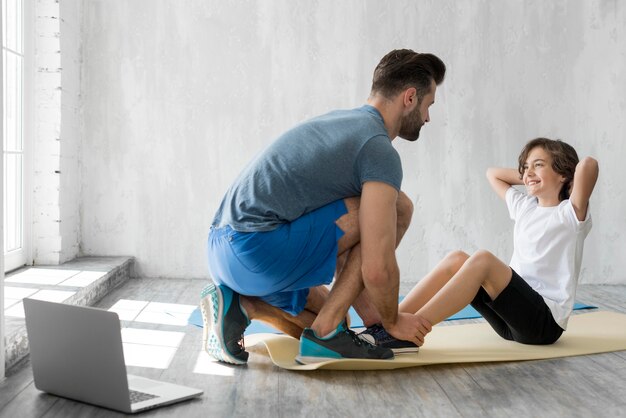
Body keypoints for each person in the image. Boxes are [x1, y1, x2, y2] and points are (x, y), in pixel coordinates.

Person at [201, 49, 446, 365]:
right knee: (398, 207)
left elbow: (347, 246)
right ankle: (327, 330)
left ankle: (242, 306)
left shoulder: (341, 123)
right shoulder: (377, 148)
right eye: (429, 105)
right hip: (256, 249)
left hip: (221, 252)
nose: (428, 117)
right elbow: (375, 266)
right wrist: (393, 322)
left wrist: (374, 319)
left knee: (337, 322)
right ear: (410, 98)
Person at [359, 138, 599, 350]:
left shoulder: (571, 214)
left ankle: (410, 332)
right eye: (525, 167)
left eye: (538, 164)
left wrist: (551, 173)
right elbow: (492, 173)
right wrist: (529, 176)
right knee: (457, 259)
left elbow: (588, 164)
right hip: (510, 321)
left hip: (543, 324)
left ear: (564, 174)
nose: (528, 172)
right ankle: (390, 322)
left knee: (483, 259)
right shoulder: (526, 207)